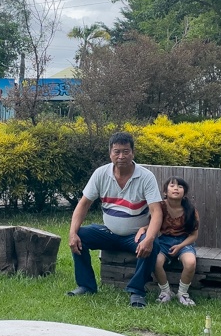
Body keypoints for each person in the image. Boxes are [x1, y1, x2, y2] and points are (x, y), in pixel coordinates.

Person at [67, 131, 163, 307]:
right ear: (110, 153)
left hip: (135, 236)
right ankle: (86, 285)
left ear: (133, 153)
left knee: (152, 245)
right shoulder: (101, 174)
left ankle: (137, 292)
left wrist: (149, 238)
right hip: (108, 232)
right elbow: (84, 204)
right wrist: (72, 232)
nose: (121, 156)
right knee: (79, 236)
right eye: (116, 151)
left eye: (126, 151)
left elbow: (156, 211)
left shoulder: (145, 177)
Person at [141, 176, 200, 307]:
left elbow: (194, 235)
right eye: (172, 186)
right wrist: (143, 229)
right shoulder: (159, 207)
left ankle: (183, 293)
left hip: (184, 241)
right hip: (163, 241)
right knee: (155, 261)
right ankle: (165, 291)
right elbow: (152, 226)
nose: (176, 189)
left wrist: (180, 246)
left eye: (180, 186)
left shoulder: (191, 210)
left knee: (190, 262)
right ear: (165, 192)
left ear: (184, 192)